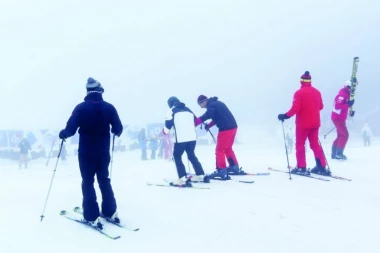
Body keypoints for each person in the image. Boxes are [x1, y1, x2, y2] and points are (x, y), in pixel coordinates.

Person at [58, 77, 123, 228]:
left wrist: (63, 134)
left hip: (86, 152)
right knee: (104, 179)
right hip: (103, 151)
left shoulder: (81, 108)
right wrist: (114, 130)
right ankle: (110, 211)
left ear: (87, 92)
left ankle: (91, 216)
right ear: (100, 91)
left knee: (88, 182)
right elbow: (118, 129)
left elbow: (70, 130)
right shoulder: (109, 107)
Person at [278, 71, 330, 176]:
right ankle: (321, 166)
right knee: (315, 144)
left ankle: (302, 167)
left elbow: (295, 109)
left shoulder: (299, 93)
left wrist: (285, 116)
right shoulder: (317, 92)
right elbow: (321, 107)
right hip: (315, 123)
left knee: (300, 144)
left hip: (303, 124)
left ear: (301, 81)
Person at [195, 95, 243, 180]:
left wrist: (196, 122)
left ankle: (221, 170)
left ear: (203, 101)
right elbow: (216, 118)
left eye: (200, 105)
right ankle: (234, 166)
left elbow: (207, 115)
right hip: (233, 127)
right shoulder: (216, 104)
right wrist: (209, 126)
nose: (201, 107)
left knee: (219, 150)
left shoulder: (212, 105)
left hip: (225, 129)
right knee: (227, 148)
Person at [163, 96, 209, 186]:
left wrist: (164, 132)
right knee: (191, 155)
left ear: (170, 104)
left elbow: (167, 127)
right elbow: (196, 122)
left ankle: (182, 178)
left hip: (180, 139)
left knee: (177, 156)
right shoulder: (188, 109)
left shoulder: (171, 111)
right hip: (192, 138)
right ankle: (200, 175)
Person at [331, 80, 355, 160]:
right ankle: (338, 153)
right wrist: (348, 105)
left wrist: (350, 113)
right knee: (345, 135)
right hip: (338, 118)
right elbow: (337, 106)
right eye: (351, 88)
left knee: (340, 135)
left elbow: (343, 109)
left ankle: (334, 153)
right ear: (348, 87)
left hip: (340, 118)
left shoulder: (346, 94)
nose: (352, 90)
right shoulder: (342, 94)